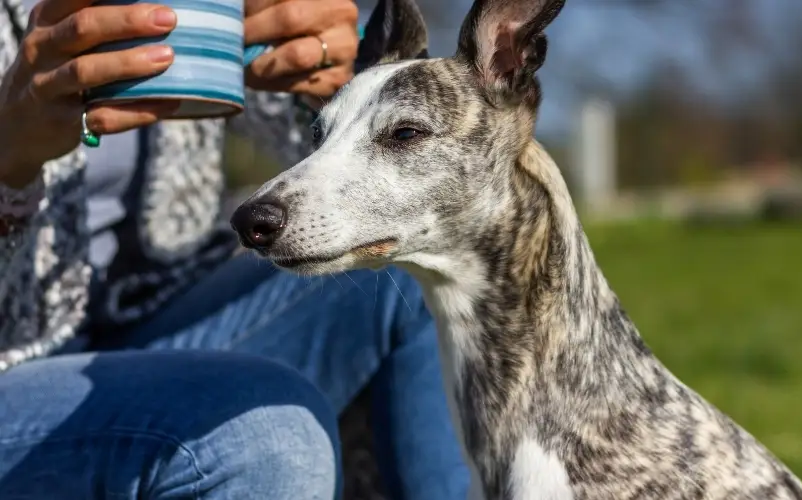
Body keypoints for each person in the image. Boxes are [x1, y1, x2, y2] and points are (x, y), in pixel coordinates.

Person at [0, 0, 470, 499]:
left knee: (413, 254)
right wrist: (8, 158)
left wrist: (340, 88)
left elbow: (303, 143)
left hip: (166, 328)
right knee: (267, 435)